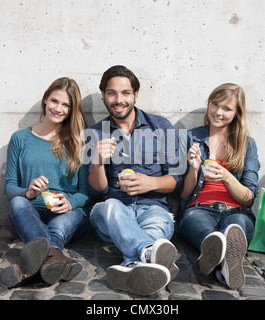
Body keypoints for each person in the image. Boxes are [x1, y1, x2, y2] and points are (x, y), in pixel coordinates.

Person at [85, 65, 183, 296]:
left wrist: (153, 183)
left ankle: (134, 265)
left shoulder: (161, 126)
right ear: (103, 95)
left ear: (136, 94)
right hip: (113, 214)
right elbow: (96, 190)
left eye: (125, 93)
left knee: (157, 228)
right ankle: (149, 253)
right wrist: (98, 160)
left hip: (154, 209)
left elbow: (177, 180)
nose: (119, 100)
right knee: (109, 206)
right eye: (112, 93)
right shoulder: (96, 133)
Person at [0, 77, 90, 288]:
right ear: (45, 101)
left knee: (66, 221)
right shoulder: (20, 138)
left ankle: (36, 263)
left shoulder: (79, 142)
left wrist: (70, 203)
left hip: (65, 213)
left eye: (66, 105)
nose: (58, 108)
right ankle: (55, 258)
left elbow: (86, 192)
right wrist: (29, 193)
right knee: (17, 203)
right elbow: (9, 189)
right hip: (27, 214)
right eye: (54, 101)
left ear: (72, 109)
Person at [179, 83, 260, 290]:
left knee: (235, 229)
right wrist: (193, 169)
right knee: (211, 237)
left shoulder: (246, 144)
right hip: (198, 209)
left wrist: (227, 177)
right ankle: (224, 263)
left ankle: (219, 259)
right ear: (209, 105)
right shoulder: (191, 138)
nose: (218, 112)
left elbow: (248, 197)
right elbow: (184, 193)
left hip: (237, 211)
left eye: (227, 108)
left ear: (237, 113)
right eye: (215, 105)